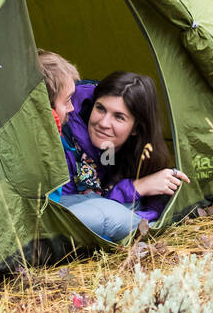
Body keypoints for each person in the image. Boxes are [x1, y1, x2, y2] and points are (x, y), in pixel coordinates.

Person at [50, 66, 190, 243]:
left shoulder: (135, 150)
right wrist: (136, 188)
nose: (104, 123)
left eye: (119, 117)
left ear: (136, 129)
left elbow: (153, 206)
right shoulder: (64, 142)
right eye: (100, 108)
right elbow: (72, 219)